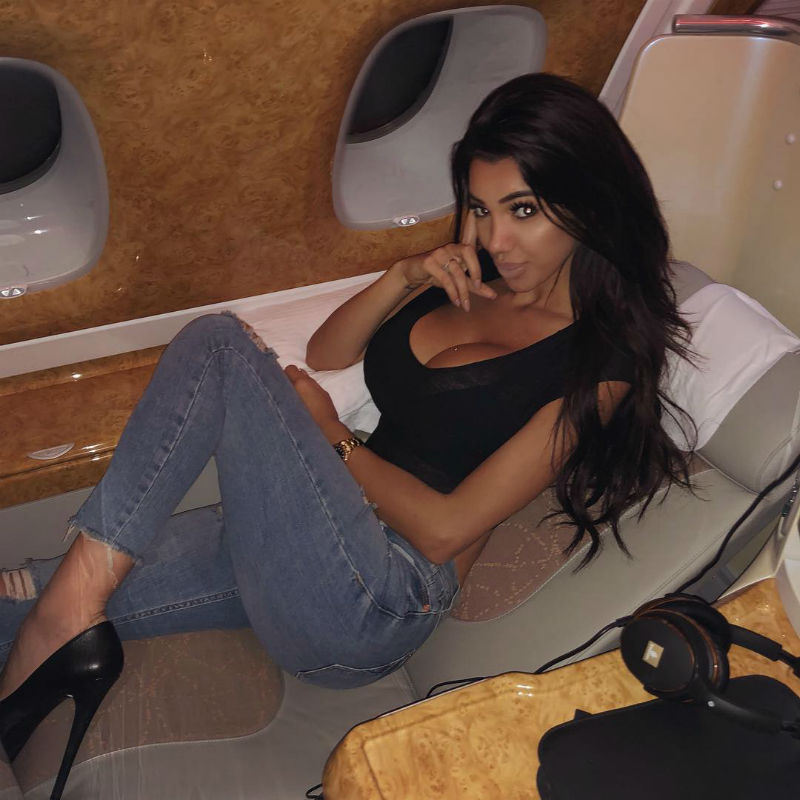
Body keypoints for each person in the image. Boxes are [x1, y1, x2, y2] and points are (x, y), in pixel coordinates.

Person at [0, 73, 693, 798]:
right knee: (19, 597)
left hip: (380, 596)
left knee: (218, 344)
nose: (497, 238)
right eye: (480, 208)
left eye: (524, 210)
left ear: (587, 200)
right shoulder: (470, 276)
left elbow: (444, 531)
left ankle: (66, 617)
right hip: (313, 535)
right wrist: (403, 276)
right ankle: (59, 620)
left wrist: (331, 433)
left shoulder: (600, 366)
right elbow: (329, 352)